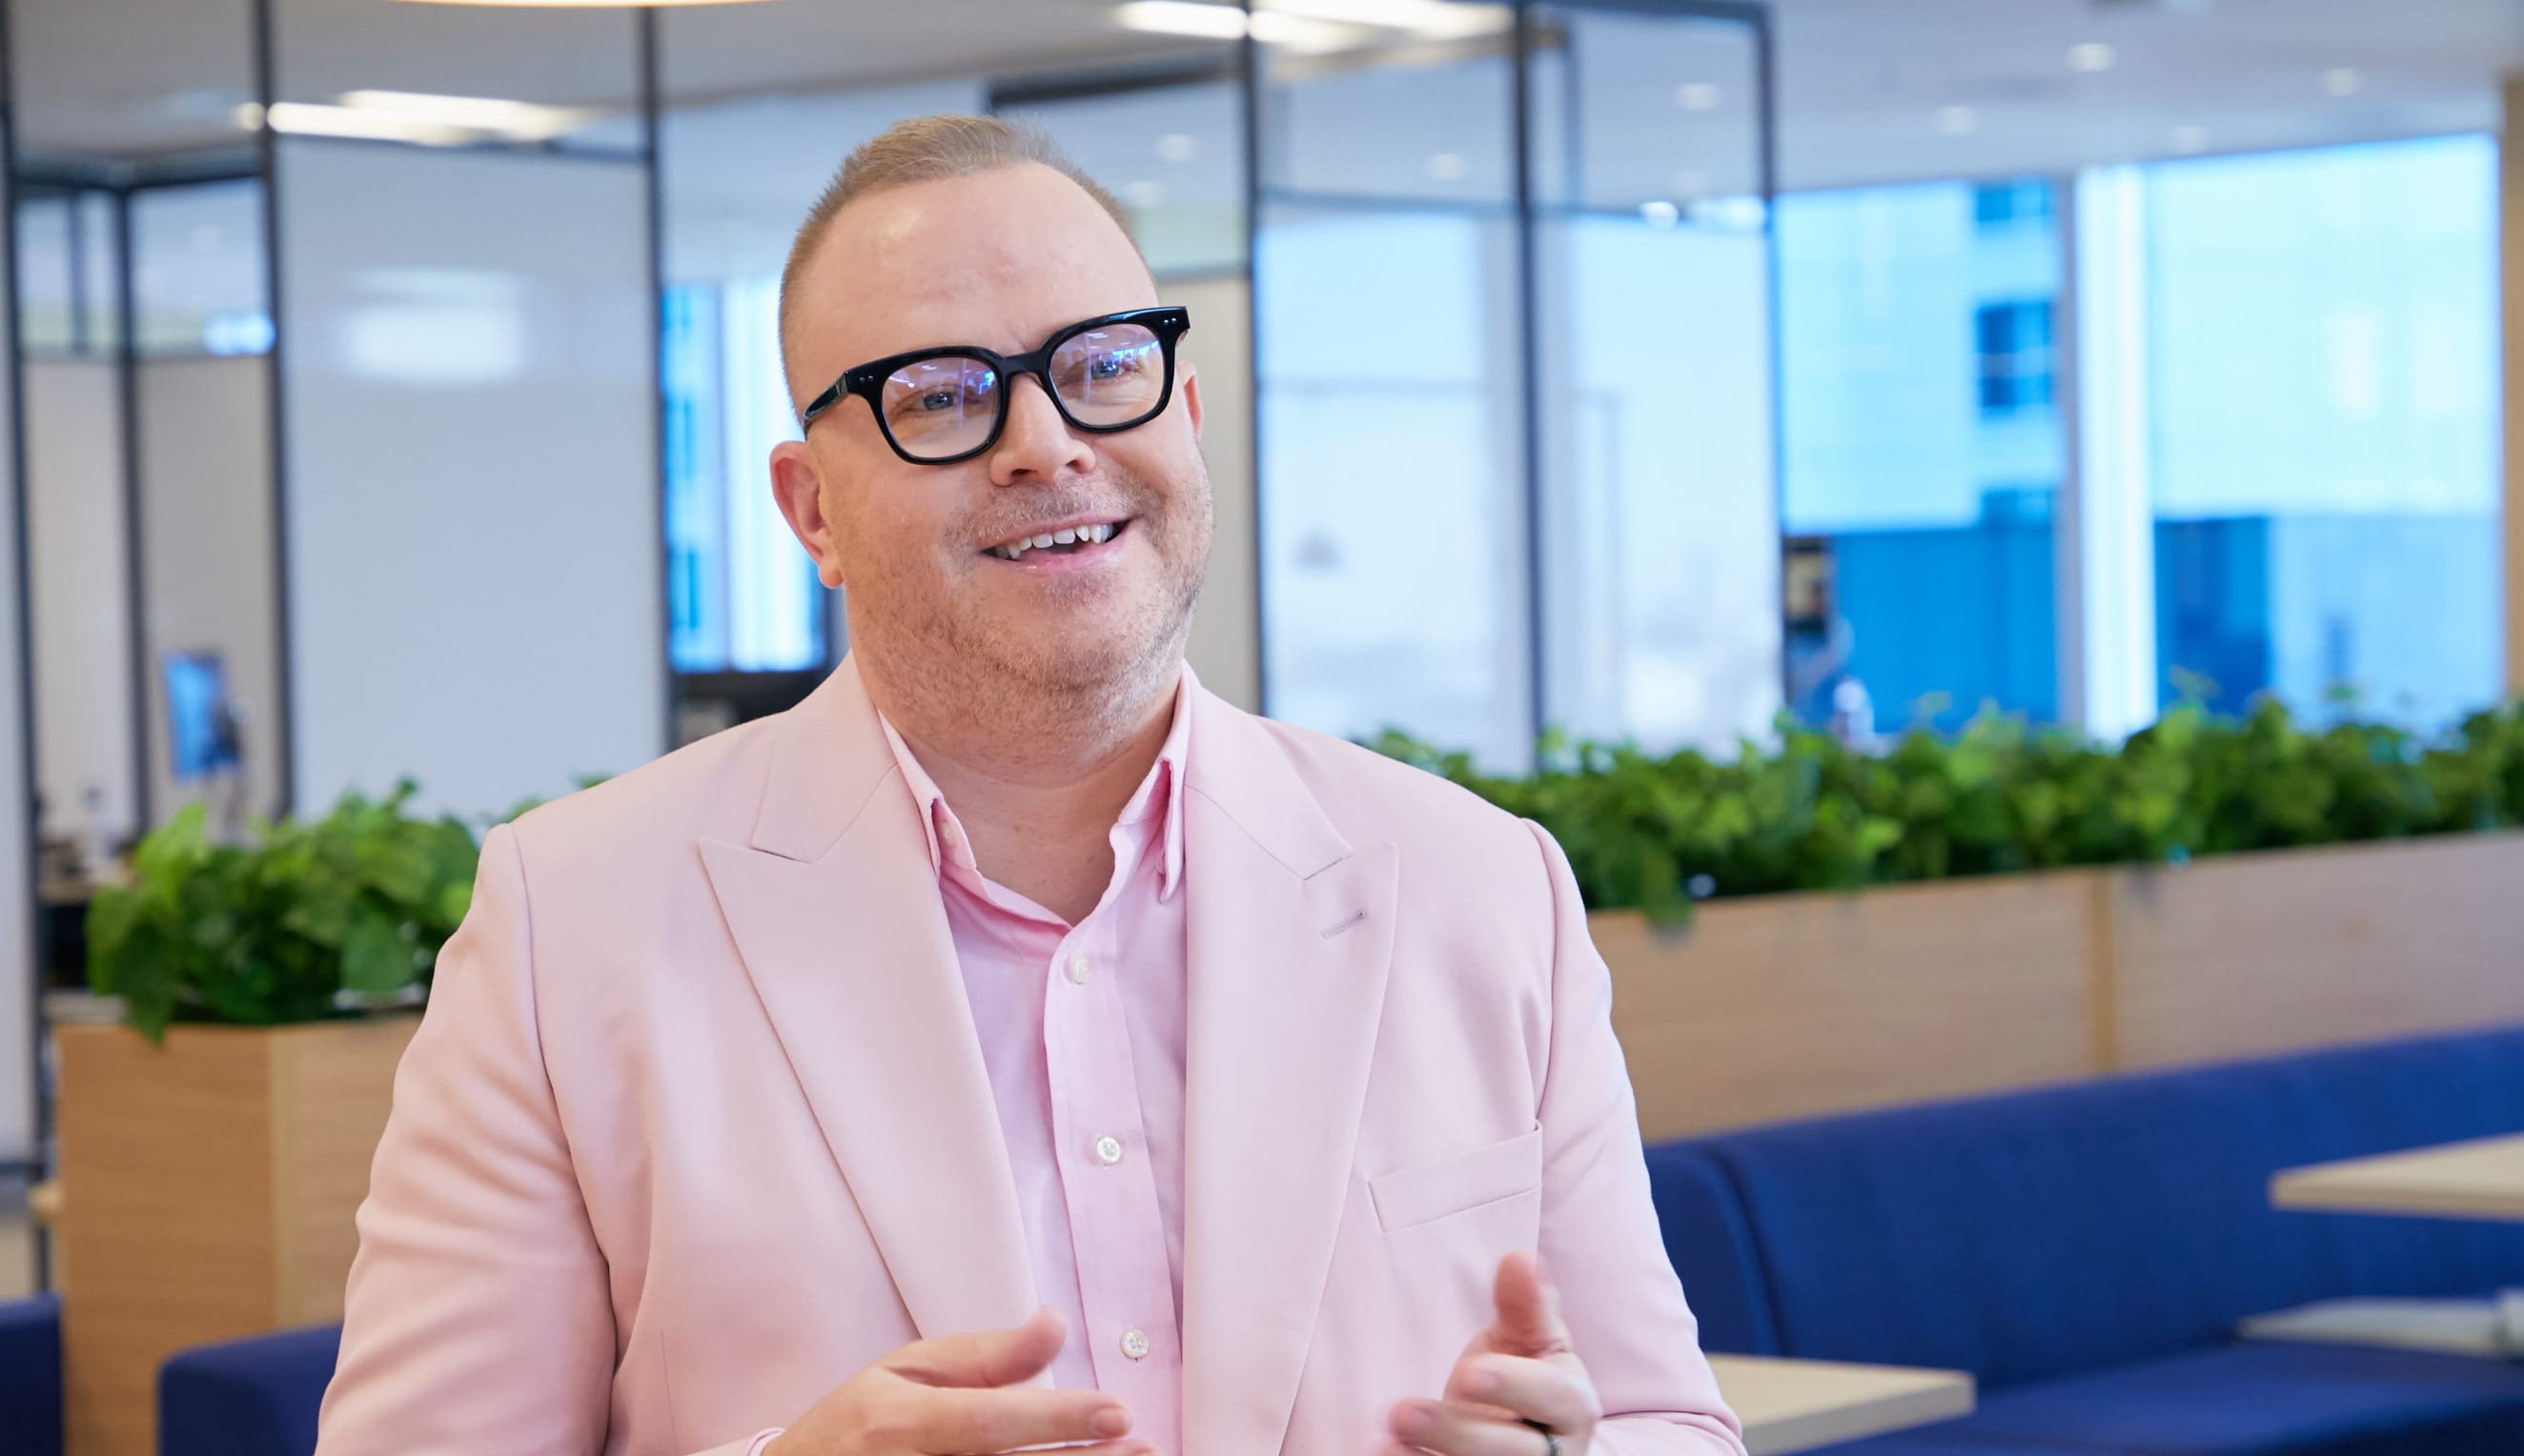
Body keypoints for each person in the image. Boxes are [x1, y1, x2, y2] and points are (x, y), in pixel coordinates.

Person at [316, 114, 1740, 1456]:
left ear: (1185, 413)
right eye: (941, 396)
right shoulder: (570, 926)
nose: (1046, 443)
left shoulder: (1480, 884)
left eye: (1103, 366)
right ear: (812, 510)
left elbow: (1666, 1421)